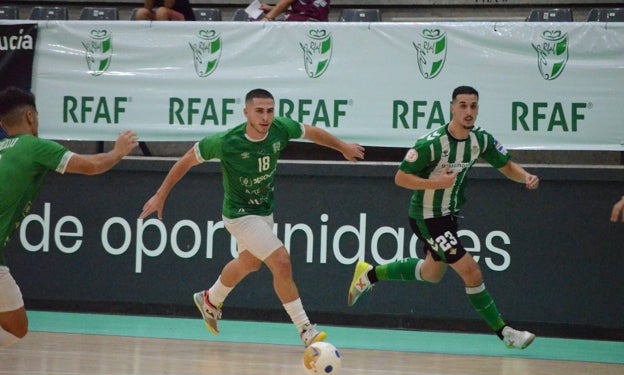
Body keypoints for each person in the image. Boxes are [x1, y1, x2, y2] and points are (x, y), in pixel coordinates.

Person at [139, 88, 364, 347]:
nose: (265, 117)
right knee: (281, 261)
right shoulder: (226, 142)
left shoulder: (281, 128)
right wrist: (160, 195)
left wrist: (343, 147)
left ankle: (210, 298)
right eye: (259, 111)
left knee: (249, 263)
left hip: (264, 212)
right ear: (246, 113)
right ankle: (305, 328)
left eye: (270, 111)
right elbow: (186, 161)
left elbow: (312, 132)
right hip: (239, 215)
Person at [347, 85, 539, 349]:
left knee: (431, 273)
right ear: (451, 107)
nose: (468, 111)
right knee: (472, 272)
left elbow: (505, 166)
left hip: (449, 216)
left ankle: (368, 275)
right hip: (426, 217)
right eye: (462, 105)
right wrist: (436, 184)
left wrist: (525, 176)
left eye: (473, 106)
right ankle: (505, 333)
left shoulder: (480, 140)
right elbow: (400, 178)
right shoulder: (432, 143)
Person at [0, 86, 139, 348]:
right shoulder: (34, 147)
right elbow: (92, 165)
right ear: (30, 117)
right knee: (17, 329)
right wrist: (117, 152)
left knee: (17, 326)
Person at [260, 0, 330, 22]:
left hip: (310, 22)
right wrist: (272, 9)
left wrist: (267, 18)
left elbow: (286, 2)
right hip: (310, 19)